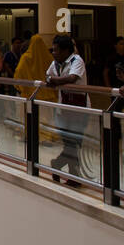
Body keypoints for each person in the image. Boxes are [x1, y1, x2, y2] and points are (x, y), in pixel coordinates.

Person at [45, 33, 88, 182]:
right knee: (69, 143)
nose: (53, 53)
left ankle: (60, 166)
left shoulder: (77, 60)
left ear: (65, 51)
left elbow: (72, 78)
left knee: (74, 143)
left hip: (79, 108)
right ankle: (72, 175)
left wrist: (55, 81)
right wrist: (53, 80)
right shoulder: (55, 63)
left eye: (55, 50)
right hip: (63, 108)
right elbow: (47, 76)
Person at [13, 34, 57, 101]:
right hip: (49, 96)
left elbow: (18, 73)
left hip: (30, 96)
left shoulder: (25, 58)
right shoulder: (49, 58)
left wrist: (20, 88)